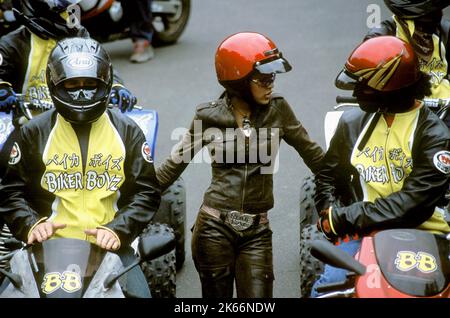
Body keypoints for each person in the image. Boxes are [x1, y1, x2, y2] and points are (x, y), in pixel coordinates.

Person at [156, 32, 324, 298]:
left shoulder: (278, 110)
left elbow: (315, 156)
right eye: (263, 78)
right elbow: (173, 166)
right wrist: (133, 197)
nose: (271, 85)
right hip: (213, 229)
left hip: (257, 232)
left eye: (273, 78)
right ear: (239, 80)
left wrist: (348, 185)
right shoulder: (207, 115)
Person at [0, 37, 161, 297]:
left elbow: (147, 192)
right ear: (55, 85)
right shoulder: (33, 132)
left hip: (112, 251)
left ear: (105, 83)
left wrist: (118, 230)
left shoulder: (128, 131)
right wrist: (31, 225)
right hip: (45, 253)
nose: (82, 93)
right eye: (72, 85)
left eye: (90, 85)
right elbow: (11, 192)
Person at [311, 36, 450, 297]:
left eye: (363, 86)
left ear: (388, 86)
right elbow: (327, 176)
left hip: (427, 233)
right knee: (325, 291)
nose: (356, 92)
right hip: (365, 234)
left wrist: (344, 218)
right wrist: (329, 212)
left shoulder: (434, 135)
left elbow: (413, 204)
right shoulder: (352, 123)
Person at [365, 0, 450, 100]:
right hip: (402, 107)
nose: (439, 15)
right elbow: (369, 86)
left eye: (437, 10)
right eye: (430, 12)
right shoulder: (381, 37)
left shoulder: (445, 31)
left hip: (444, 108)